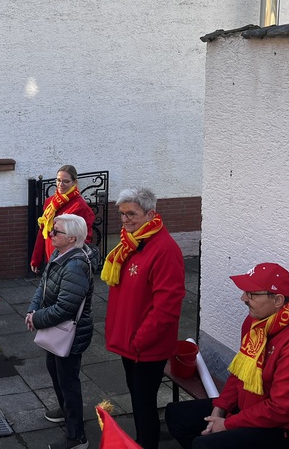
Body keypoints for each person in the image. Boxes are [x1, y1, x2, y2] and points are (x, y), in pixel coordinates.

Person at [165, 263, 289, 449]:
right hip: (251, 406)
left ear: (278, 300)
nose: (243, 298)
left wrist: (227, 424)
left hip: (288, 429)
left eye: (251, 294)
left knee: (204, 445)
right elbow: (239, 373)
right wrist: (219, 409)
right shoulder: (256, 321)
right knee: (176, 415)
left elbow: (281, 409)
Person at [101, 187, 185, 449]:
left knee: (144, 400)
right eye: (122, 213)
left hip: (145, 346)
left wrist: (140, 340)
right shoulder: (132, 241)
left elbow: (167, 306)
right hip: (131, 342)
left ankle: (146, 443)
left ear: (150, 214)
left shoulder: (164, 249)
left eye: (131, 214)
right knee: (138, 398)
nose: (125, 220)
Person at [26, 214, 98, 449]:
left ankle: (77, 437)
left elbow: (66, 308)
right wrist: (33, 309)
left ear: (72, 238)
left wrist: (37, 319)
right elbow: (43, 285)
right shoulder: (60, 254)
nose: (50, 234)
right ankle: (65, 409)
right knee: (54, 369)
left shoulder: (76, 265)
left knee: (68, 382)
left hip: (70, 334)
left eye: (56, 231)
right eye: (52, 230)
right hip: (54, 328)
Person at [30, 165, 95, 274]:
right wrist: (36, 258)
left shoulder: (80, 206)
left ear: (74, 183)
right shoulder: (50, 202)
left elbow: (84, 239)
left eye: (66, 181)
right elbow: (43, 231)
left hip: (67, 262)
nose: (61, 184)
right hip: (49, 257)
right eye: (58, 180)